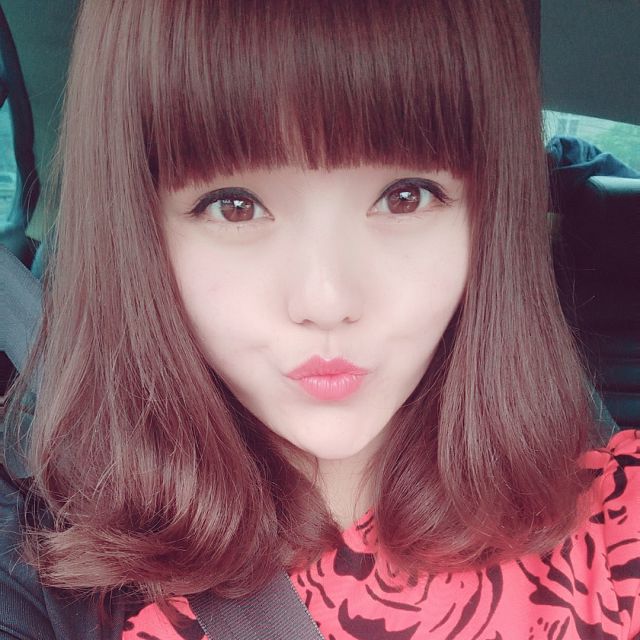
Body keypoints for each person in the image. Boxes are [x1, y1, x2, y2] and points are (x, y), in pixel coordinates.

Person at [1, 1, 638, 638]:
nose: (327, 299)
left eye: (405, 196)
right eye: (234, 206)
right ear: (141, 231)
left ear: (488, 217)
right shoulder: (53, 577)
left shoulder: (615, 526)